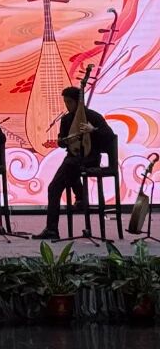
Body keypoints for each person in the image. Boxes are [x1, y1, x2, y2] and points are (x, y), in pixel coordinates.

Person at [34, 86, 116, 240]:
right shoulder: (66, 119)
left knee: (62, 177)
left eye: (69, 102)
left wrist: (93, 130)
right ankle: (77, 201)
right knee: (56, 186)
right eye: (65, 102)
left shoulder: (93, 116)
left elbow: (110, 137)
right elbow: (61, 142)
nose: (67, 105)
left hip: (90, 159)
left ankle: (78, 200)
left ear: (78, 102)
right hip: (73, 158)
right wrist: (64, 141)